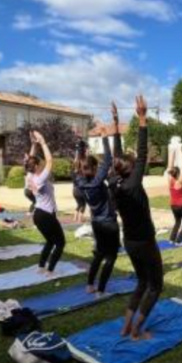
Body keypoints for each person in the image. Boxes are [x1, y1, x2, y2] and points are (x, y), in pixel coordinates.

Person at [111, 95, 163, 340]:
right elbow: (142, 153)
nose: (135, 162)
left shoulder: (117, 184)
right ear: (130, 168)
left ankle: (125, 327)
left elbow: (119, 156)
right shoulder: (132, 182)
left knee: (141, 283)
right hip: (144, 241)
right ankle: (135, 332)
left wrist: (116, 122)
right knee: (155, 286)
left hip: (129, 241)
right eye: (133, 163)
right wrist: (142, 118)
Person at [75, 102, 121, 295]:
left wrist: (80, 146)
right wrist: (104, 137)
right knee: (111, 257)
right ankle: (101, 289)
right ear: (94, 169)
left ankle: (89, 285)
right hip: (108, 223)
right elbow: (108, 160)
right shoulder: (95, 181)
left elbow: (78, 164)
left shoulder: (79, 181)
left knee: (99, 254)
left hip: (96, 223)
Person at [25, 131, 66, 275]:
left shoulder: (29, 176)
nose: (41, 164)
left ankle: (41, 266)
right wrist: (42, 142)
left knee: (50, 241)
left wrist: (33, 144)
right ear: (35, 166)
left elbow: (30, 159)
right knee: (60, 243)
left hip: (38, 215)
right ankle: (50, 270)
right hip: (46, 215)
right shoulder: (39, 179)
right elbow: (49, 161)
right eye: (38, 163)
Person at [168, 152, 182, 245]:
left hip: (173, 205)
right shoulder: (179, 182)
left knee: (177, 222)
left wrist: (172, 155)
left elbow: (169, 168)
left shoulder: (170, 180)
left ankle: (171, 239)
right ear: (178, 174)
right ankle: (179, 241)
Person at [72, 140, 89, 225]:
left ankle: (75, 218)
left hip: (74, 190)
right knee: (83, 204)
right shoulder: (83, 166)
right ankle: (79, 220)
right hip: (81, 190)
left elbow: (77, 159)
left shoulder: (75, 166)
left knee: (79, 204)